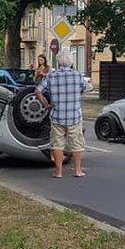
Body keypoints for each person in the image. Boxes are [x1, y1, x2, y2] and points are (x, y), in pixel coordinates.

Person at [35, 50, 86, 179]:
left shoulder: (51, 76)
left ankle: (58, 172)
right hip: (74, 115)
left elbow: (38, 91)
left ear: (58, 62)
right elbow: (85, 88)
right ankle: (77, 170)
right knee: (76, 143)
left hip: (57, 116)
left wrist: (46, 104)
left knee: (57, 144)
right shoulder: (78, 75)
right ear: (71, 61)